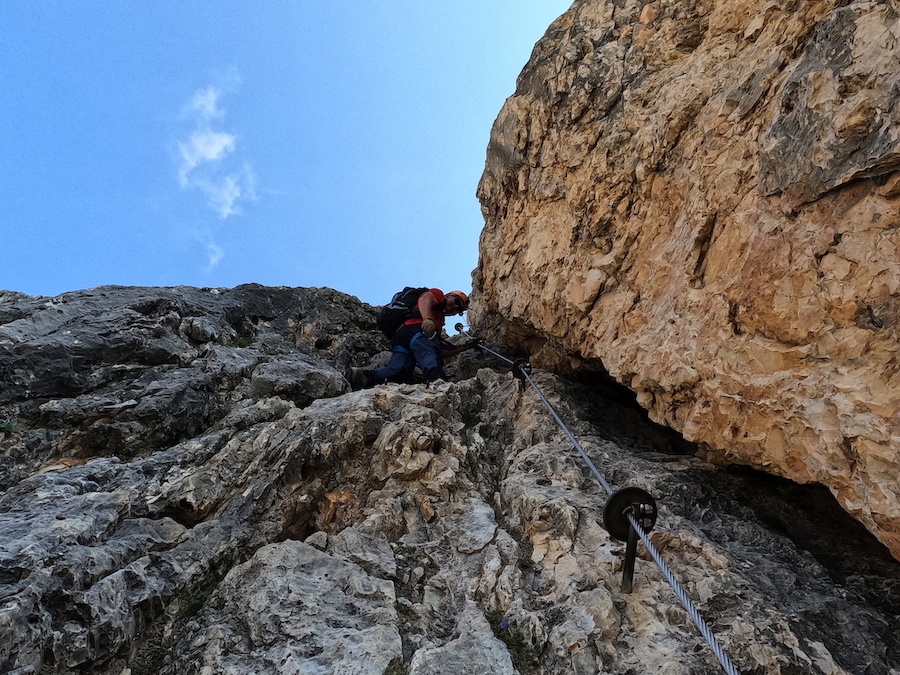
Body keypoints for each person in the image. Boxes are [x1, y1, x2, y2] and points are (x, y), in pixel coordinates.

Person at [348, 289, 469, 389]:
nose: (455, 306)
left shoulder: (438, 318)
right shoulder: (438, 295)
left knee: (399, 370)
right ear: (449, 295)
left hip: (401, 337)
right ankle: (436, 381)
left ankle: (362, 377)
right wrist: (427, 319)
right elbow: (425, 298)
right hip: (415, 330)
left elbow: (438, 351)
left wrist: (463, 348)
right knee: (429, 351)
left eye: (459, 308)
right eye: (457, 301)